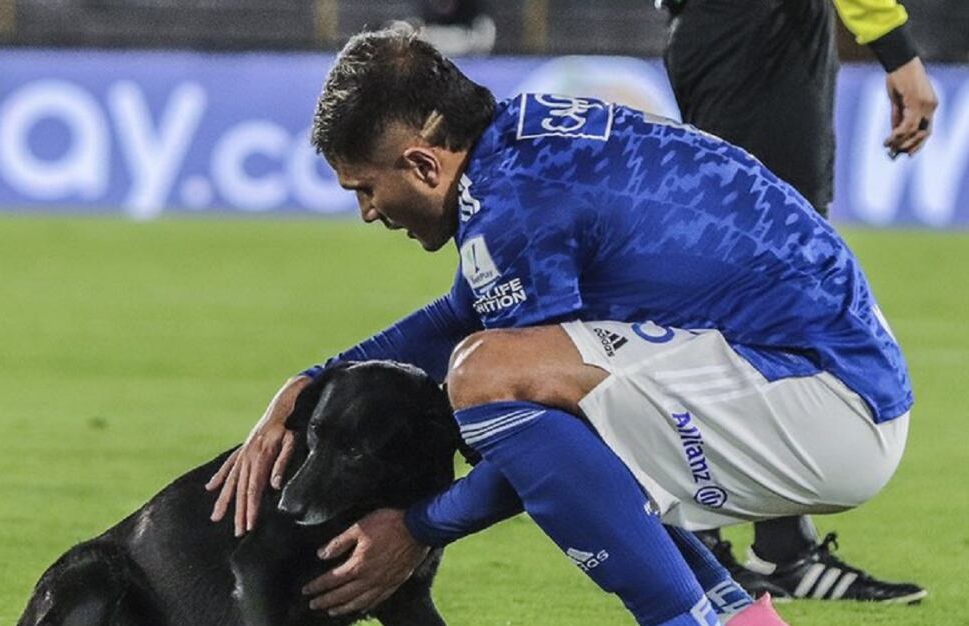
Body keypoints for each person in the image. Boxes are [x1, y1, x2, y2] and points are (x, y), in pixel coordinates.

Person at [207, 25, 916, 625]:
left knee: (489, 377)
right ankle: (735, 616)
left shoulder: (517, 202)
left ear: (422, 164)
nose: (368, 211)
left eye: (366, 188)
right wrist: (309, 383)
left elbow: (516, 406)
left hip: (825, 403)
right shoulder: (519, 146)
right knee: (525, 385)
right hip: (819, 375)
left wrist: (418, 527)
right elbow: (462, 313)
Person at [660, 0, 936, 601]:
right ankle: (709, 544)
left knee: (765, 289)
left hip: (740, 32)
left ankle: (776, 546)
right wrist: (896, 49)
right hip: (754, 32)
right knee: (757, 279)